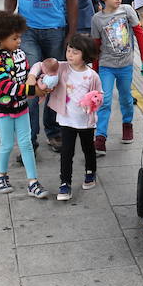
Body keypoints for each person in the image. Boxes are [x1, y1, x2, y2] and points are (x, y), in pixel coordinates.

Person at [5, 0, 79, 151]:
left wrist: (71, 33)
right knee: (30, 84)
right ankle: (30, 139)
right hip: (27, 31)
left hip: (56, 30)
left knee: (53, 84)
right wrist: (7, 26)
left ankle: (54, 132)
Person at [0, 10, 47, 199]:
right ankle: (1, 176)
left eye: (19, 37)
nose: (19, 41)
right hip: (3, 110)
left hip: (21, 107)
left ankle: (33, 182)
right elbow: (6, 87)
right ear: (0, 38)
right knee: (6, 144)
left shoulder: (20, 54)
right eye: (14, 38)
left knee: (26, 143)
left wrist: (39, 81)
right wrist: (33, 91)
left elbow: (27, 75)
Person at [45, 34, 102, 201]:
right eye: (69, 50)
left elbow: (100, 95)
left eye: (75, 52)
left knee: (88, 148)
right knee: (66, 152)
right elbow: (45, 67)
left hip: (86, 121)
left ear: (85, 55)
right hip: (66, 119)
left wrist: (93, 101)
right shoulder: (62, 69)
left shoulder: (92, 75)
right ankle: (65, 183)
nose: (70, 55)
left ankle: (90, 172)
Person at [91, 0, 141, 152]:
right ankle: (100, 136)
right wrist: (95, 71)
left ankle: (127, 124)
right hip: (106, 66)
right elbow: (96, 46)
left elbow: (139, 32)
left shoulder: (127, 10)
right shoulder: (97, 19)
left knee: (126, 98)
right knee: (104, 100)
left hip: (126, 65)